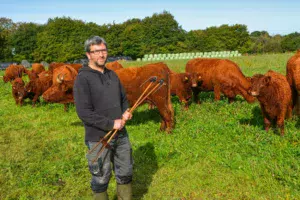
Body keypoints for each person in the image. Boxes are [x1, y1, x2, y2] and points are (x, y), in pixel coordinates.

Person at [73, 36, 133, 200]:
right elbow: (84, 112)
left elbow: (123, 98)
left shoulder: (112, 75)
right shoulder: (82, 79)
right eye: (96, 51)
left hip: (121, 134)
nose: (101, 55)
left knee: (126, 172)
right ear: (88, 55)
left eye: (104, 50)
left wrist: (125, 111)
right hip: (98, 138)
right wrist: (110, 123)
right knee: (100, 177)